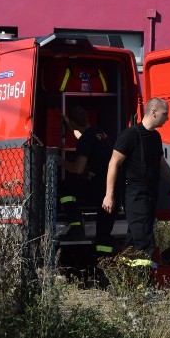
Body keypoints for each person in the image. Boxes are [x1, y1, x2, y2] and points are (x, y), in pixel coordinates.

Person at [102, 97, 170, 266]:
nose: (167, 118)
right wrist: (109, 195)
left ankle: (127, 274)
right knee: (144, 239)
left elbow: (161, 163)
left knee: (134, 236)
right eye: (165, 114)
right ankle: (143, 281)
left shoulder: (155, 137)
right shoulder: (129, 135)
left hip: (150, 192)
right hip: (135, 193)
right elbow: (114, 163)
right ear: (153, 112)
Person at [57, 106, 115, 257]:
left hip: (99, 188)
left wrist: (59, 161)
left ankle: (76, 226)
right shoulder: (98, 133)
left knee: (64, 187)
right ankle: (105, 267)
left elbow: (78, 169)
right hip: (113, 189)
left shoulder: (85, 140)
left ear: (74, 123)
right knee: (104, 232)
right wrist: (70, 123)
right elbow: (82, 136)